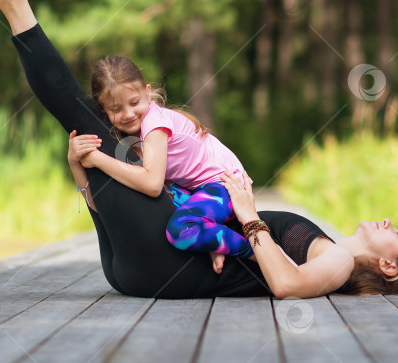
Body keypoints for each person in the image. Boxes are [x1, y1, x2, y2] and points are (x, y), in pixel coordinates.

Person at [0, 0, 398, 298]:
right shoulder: (330, 247)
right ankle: (11, 0)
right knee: (101, 133)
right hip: (132, 270)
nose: (387, 222)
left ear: (387, 266)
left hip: (164, 267)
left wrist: (249, 213)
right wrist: (84, 176)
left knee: (87, 119)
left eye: (396, 233)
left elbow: (285, 285)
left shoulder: (339, 260)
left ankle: (13, 0)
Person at [66, 55, 259, 275]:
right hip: (197, 189)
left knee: (180, 229)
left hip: (226, 185)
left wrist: (99, 160)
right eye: (116, 109)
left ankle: (252, 253)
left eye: (134, 102)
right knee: (160, 199)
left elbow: (152, 184)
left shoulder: (154, 124)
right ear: (104, 110)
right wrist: (75, 164)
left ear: (147, 92)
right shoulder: (127, 139)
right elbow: (103, 205)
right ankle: (211, 239)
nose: (128, 114)